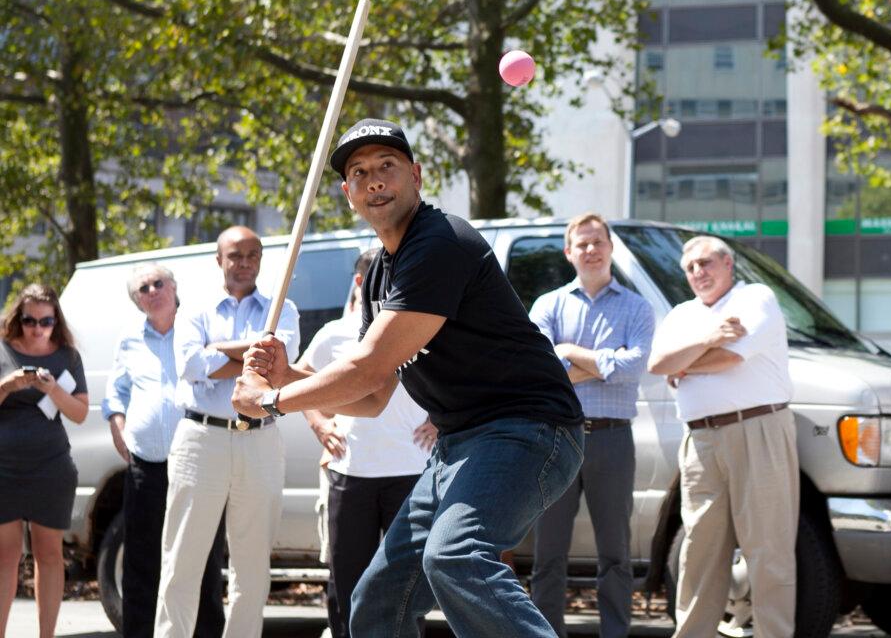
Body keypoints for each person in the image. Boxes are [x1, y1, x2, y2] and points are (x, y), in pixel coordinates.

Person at [231, 117, 584, 638]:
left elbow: (368, 365)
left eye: (387, 166)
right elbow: (373, 395)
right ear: (347, 192)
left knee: (457, 555)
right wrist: (291, 374)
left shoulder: (439, 243)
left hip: (529, 431)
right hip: (458, 445)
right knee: (377, 602)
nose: (374, 180)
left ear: (416, 176)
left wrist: (273, 399)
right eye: (359, 172)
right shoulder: (380, 271)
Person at [648, 236, 798, 638]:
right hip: (700, 442)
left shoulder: (755, 298)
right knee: (699, 553)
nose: (698, 272)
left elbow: (733, 357)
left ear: (728, 264)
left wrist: (686, 363)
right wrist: (709, 339)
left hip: (758, 431)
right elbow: (659, 363)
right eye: (691, 267)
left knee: (769, 551)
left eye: (706, 263)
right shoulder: (682, 314)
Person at [154, 226, 300, 638]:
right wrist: (254, 352)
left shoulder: (281, 308)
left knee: (252, 570)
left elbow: (278, 369)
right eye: (236, 255)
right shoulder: (195, 309)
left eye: (253, 255)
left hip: (261, 438)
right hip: (202, 440)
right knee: (181, 562)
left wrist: (219, 350)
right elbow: (190, 366)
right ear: (219, 260)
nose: (245, 263)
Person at [529, 213, 654, 638]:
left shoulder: (637, 307)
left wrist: (568, 351)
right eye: (581, 244)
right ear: (569, 253)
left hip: (613, 439)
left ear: (610, 247)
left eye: (597, 241)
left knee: (616, 553)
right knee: (548, 554)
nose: (590, 250)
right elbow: (541, 372)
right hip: (556, 441)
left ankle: (615, 634)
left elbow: (633, 368)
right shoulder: (548, 305)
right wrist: (603, 360)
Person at [297, 248, 432, 638]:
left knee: (407, 585)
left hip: (410, 473)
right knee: (346, 585)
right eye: (381, 278)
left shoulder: (419, 326)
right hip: (350, 473)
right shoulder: (334, 333)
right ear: (360, 283)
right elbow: (300, 377)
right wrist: (319, 423)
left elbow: (462, 376)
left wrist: (440, 420)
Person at [102, 264, 225, 638]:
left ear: (174, 288)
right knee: (141, 562)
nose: (152, 290)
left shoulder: (197, 329)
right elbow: (115, 392)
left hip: (198, 463)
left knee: (201, 559)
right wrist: (117, 424)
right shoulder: (129, 339)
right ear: (137, 299)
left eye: (159, 283)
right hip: (145, 467)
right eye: (144, 287)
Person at [0, 284, 89, 638]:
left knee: (49, 554)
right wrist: (7, 386)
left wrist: (52, 388)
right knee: (5, 556)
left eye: (46, 321)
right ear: (17, 318)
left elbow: (80, 413)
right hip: (3, 466)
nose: (38, 328)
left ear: (56, 320)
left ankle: (47, 635)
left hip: (50, 466)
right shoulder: (3, 349)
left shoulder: (68, 356)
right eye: (30, 320)